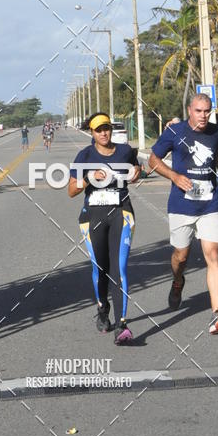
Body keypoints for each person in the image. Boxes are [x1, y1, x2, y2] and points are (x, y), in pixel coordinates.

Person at [149, 93, 218, 335]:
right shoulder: (175, 132)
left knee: (213, 253)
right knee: (181, 256)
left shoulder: (215, 131)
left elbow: (216, 154)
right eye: (199, 111)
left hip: (210, 203)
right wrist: (174, 176)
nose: (203, 116)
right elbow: (153, 160)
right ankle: (178, 281)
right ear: (189, 110)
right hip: (181, 205)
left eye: (207, 111)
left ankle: (217, 312)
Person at [68, 112, 140, 345]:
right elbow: (71, 191)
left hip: (121, 212)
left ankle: (122, 325)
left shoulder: (125, 151)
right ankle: (102, 308)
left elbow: (136, 169)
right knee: (101, 269)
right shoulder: (85, 155)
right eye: (98, 130)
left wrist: (136, 173)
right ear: (92, 132)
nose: (104, 133)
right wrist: (89, 178)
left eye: (106, 128)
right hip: (93, 216)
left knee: (119, 268)